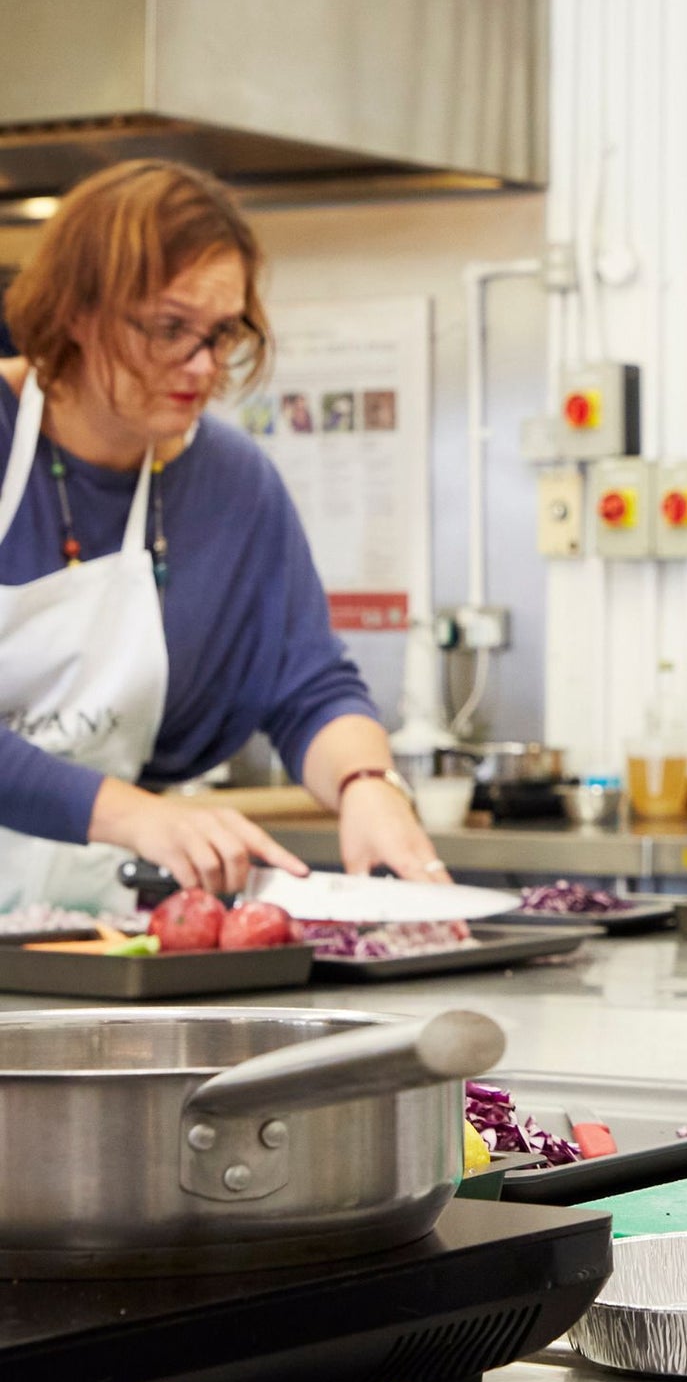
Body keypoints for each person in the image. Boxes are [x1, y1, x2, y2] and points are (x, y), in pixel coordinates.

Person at [0, 160, 448, 907]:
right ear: (79, 310)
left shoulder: (232, 483)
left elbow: (306, 682)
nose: (203, 366)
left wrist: (369, 785)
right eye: (170, 329)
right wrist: (137, 815)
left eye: (222, 333)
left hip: (68, 931)